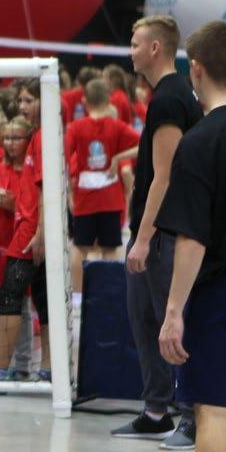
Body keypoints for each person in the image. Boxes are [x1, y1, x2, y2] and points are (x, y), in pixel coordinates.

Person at [154, 20, 226, 452]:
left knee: (212, 412)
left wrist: (172, 312)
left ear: (197, 70)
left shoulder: (202, 141)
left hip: (223, 291)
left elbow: (191, 239)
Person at [111, 16, 202, 448]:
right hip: (152, 229)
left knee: (171, 323)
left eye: (135, 44)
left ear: (155, 49)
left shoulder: (169, 98)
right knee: (143, 317)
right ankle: (156, 410)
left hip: (163, 232)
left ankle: (191, 415)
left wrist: (144, 238)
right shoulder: (166, 96)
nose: (129, 51)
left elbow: (164, 175)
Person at [0, 80, 51, 382]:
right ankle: (48, 370)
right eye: (20, 100)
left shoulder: (43, 138)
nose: (21, 106)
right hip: (31, 226)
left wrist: (38, 231)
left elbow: (47, 189)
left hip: (30, 230)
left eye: (28, 100)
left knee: (11, 296)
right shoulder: (40, 136)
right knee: (42, 301)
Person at [65, 77, 140, 294]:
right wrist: (118, 157)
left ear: (84, 100)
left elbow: (64, 158)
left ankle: (77, 299)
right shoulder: (117, 126)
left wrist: (69, 189)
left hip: (84, 197)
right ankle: (110, 295)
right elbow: (145, 142)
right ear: (108, 100)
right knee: (111, 248)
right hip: (110, 198)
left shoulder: (75, 127)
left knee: (80, 246)